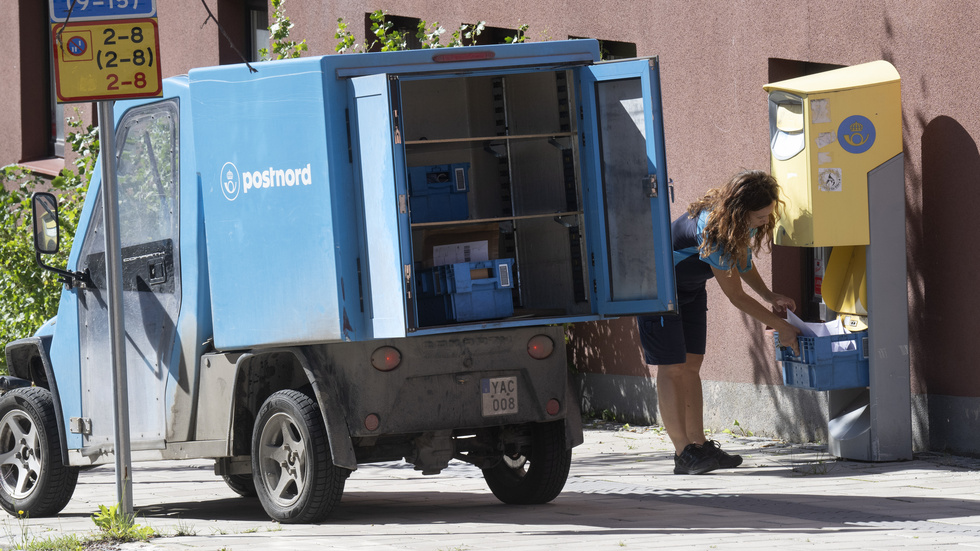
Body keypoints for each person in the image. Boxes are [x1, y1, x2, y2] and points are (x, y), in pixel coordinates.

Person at [638, 169, 802, 475]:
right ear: (742, 211)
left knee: (691, 366)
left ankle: (699, 445)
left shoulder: (736, 223)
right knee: (672, 368)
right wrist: (781, 326)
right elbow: (736, 297)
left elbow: (742, 262)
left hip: (688, 290)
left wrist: (769, 294)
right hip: (657, 290)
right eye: (760, 217)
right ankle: (682, 453)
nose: (765, 222)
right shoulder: (712, 229)